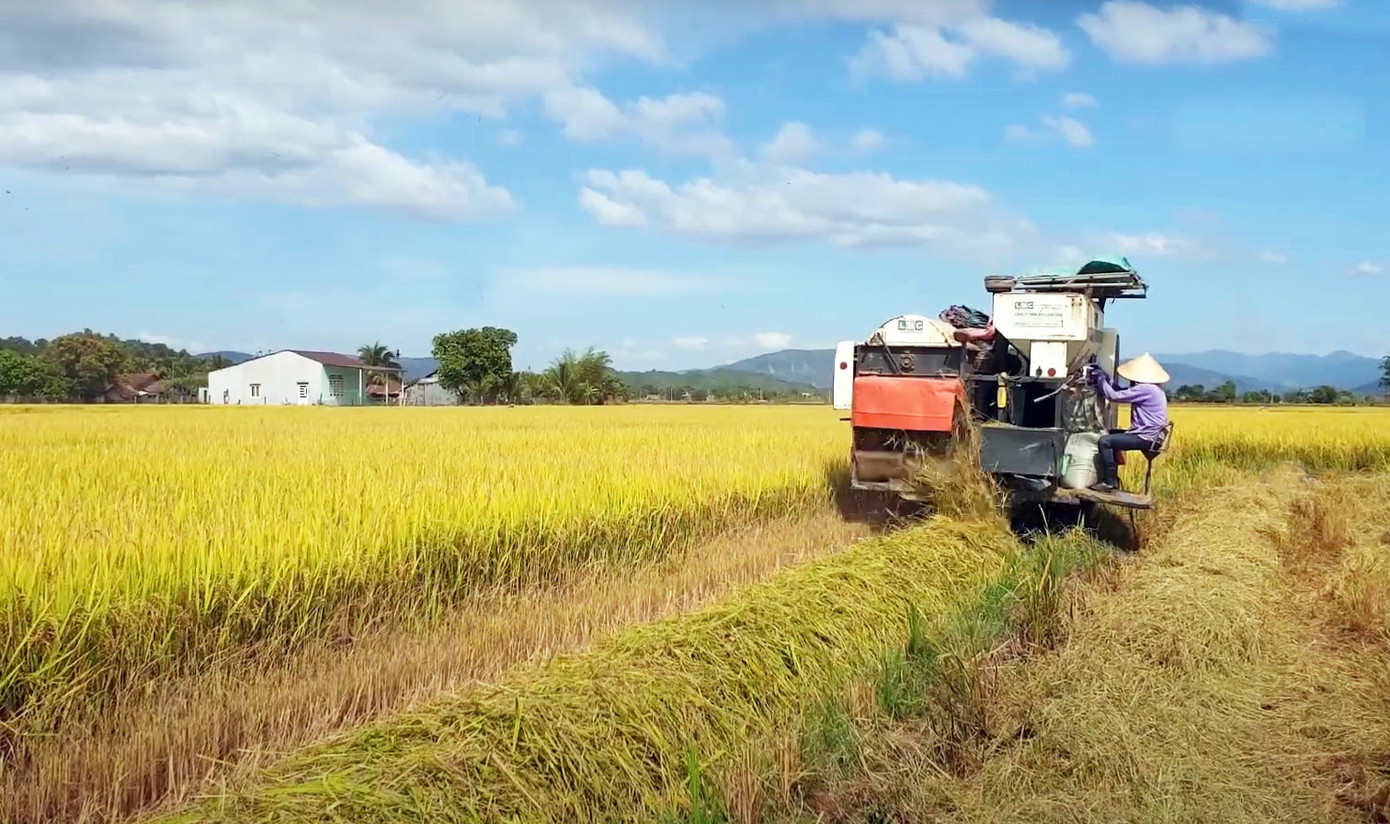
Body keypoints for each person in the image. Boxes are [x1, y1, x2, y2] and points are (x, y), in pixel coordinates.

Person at [1087, 353, 1170, 492]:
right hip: (1151, 435)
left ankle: (1109, 482)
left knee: (1105, 441)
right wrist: (1106, 380)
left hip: (1146, 438)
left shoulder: (1146, 389)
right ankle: (1113, 472)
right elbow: (1121, 390)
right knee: (1110, 433)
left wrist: (1100, 379)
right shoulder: (1154, 388)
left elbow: (1113, 396)